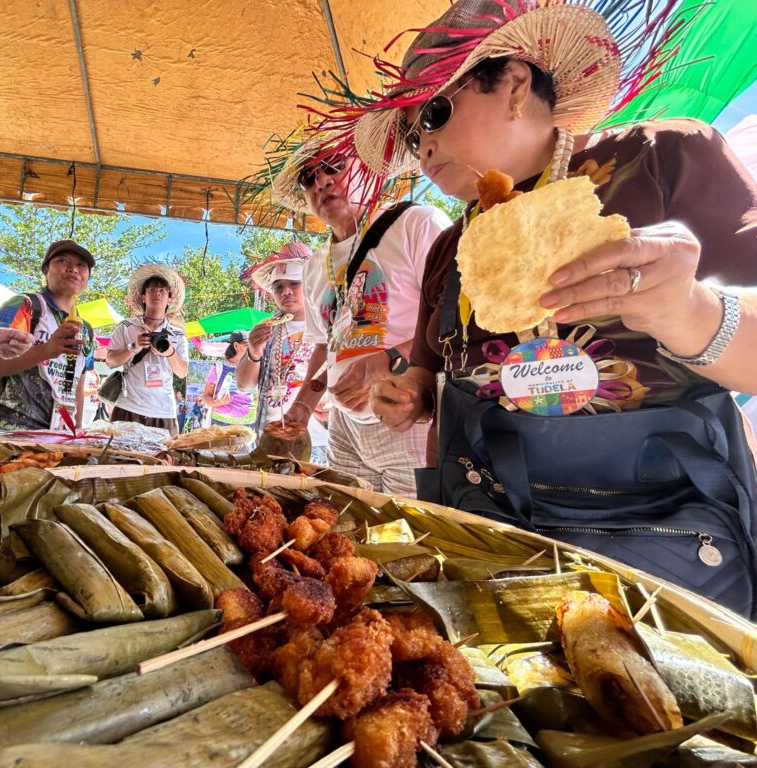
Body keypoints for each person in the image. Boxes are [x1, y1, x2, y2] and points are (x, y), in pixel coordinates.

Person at [341, 0, 757, 614]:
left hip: (661, 551)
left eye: (432, 113)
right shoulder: (449, 248)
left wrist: (692, 313)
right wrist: (411, 395)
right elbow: (429, 375)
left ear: (513, 83)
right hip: (487, 542)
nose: (422, 146)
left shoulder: (661, 159)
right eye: (411, 135)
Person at [265, 139, 450, 494]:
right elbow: (323, 345)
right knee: (344, 526)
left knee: (403, 537)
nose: (321, 181)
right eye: (309, 177)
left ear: (369, 168)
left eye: (335, 165)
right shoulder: (316, 265)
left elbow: (457, 318)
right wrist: (305, 403)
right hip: (344, 425)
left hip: (408, 415)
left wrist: (389, 360)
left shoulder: (414, 223)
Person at [0, 240, 96, 431]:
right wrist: (45, 350)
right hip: (9, 429)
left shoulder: (86, 329)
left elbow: (79, 380)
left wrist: (76, 427)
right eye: (63, 261)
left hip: (60, 432)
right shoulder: (25, 306)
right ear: (46, 270)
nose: (73, 269)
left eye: (81, 265)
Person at [236, 242, 327, 459]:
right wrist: (254, 351)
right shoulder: (265, 329)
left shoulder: (328, 327)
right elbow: (243, 385)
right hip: (269, 440)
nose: (286, 291)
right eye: (278, 286)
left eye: (294, 284)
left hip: (318, 443)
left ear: (310, 285)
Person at [105, 265, 189, 438]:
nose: (157, 293)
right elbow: (110, 361)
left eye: (162, 290)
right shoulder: (126, 327)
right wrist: (133, 347)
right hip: (128, 406)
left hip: (163, 410)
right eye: (151, 290)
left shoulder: (178, 334)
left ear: (169, 299)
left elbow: (182, 372)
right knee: (120, 461)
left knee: (163, 462)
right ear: (143, 297)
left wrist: (170, 352)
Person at [201, 331, 256, 428]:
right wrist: (216, 403)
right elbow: (206, 396)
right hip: (221, 424)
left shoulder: (253, 367)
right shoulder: (219, 367)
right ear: (236, 345)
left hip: (248, 424)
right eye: (248, 345)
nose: (251, 349)